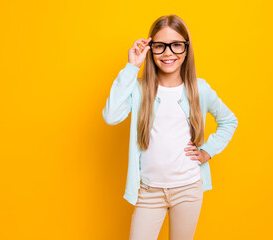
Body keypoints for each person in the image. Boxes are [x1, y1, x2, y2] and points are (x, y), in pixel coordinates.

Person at [102, 14, 238, 240]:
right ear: (150, 49)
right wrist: (131, 67)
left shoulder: (200, 89)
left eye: (176, 45)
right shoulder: (139, 90)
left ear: (186, 49)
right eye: (160, 46)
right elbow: (111, 116)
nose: (168, 53)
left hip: (187, 190)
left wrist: (207, 151)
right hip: (149, 192)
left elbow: (229, 120)